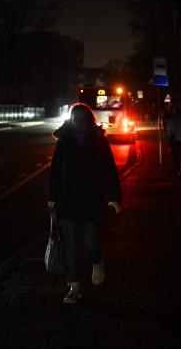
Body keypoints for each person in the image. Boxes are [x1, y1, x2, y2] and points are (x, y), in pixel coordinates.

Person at [47, 103, 122, 304]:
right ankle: (74, 287)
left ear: (90, 119)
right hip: (68, 200)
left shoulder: (99, 141)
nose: (79, 122)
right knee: (71, 245)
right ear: (71, 119)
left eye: (83, 118)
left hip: (92, 201)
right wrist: (52, 196)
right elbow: (56, 170)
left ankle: (98, 262)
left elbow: (109, 170)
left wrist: (114, 197)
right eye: (76, 118)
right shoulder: (64, 140)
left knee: (90, 240)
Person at [165, 103, 181, 176]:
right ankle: (180, 165)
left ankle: (178, 167)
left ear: (174, 111)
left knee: (175, 154)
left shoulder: (173, 119)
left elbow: (169, 128)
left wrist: (169, 135)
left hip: (175, 139)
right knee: (180, 153)